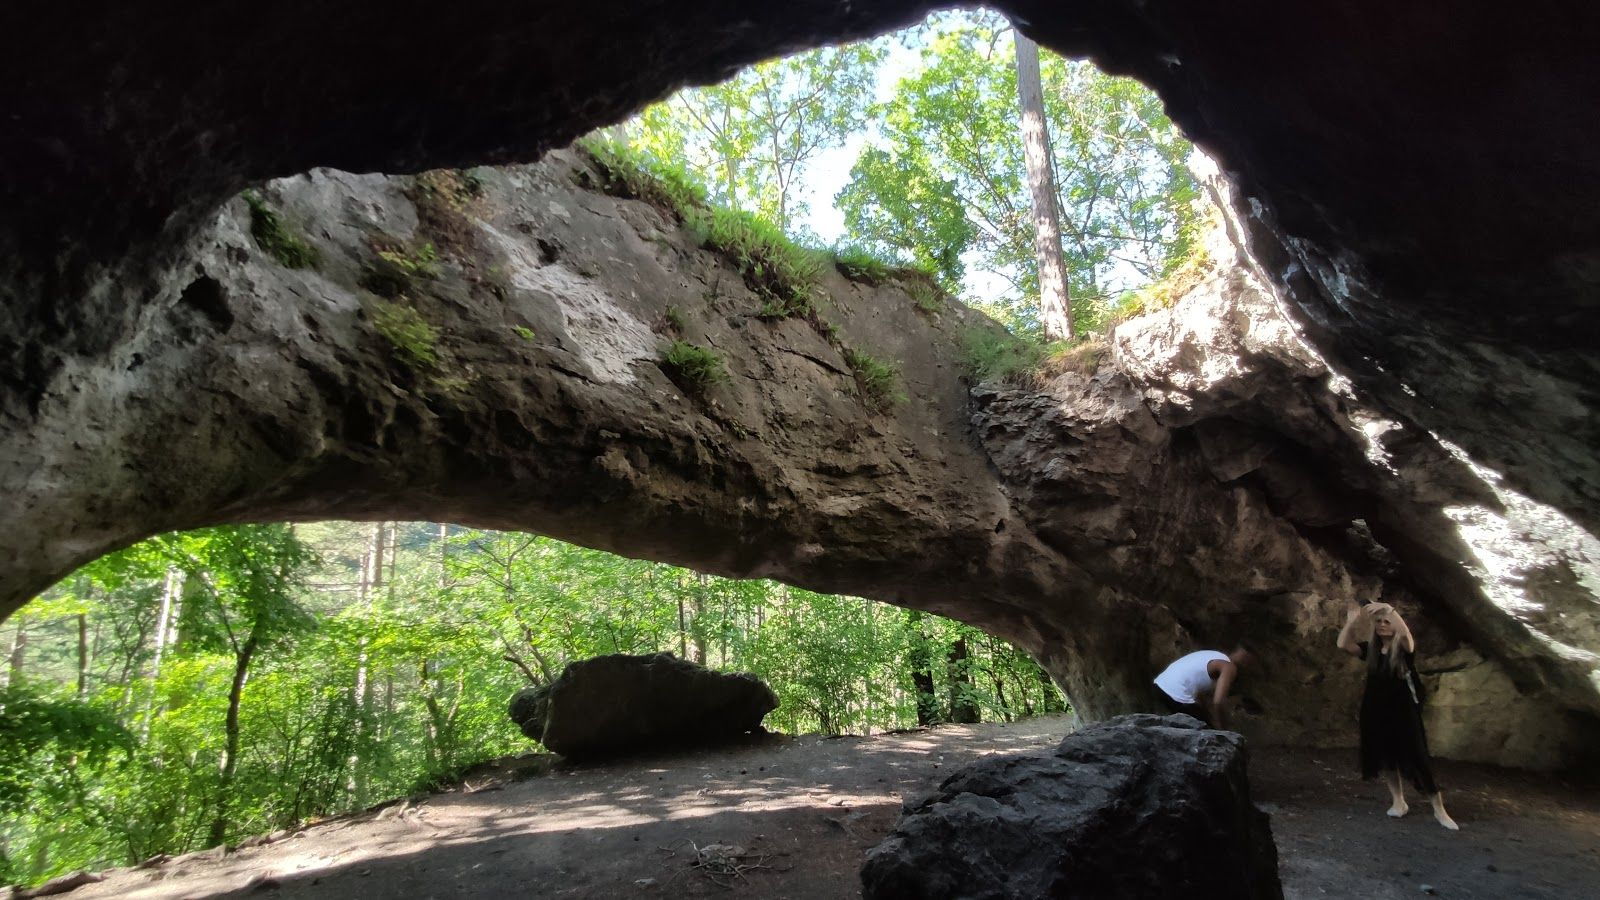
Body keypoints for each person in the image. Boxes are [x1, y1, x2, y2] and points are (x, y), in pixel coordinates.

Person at [1337, 602, 1459, 831]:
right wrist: (1352, 620)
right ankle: (1398, 801)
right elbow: (1343, 643)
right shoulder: (1371, 650)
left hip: (1403, 711)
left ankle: (1439, 810)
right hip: (1375, 709)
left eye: (1387, 622)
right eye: (1379, 622)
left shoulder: (1404, 649)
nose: (1382, 625)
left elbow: (1406, 634)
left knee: (1418, 757)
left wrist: (1388, 609)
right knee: (1386, 757)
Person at [1152, 643, 1254, 730]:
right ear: (1246, 657)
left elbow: (1198, 693)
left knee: (1204, 722)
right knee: (1210, 735)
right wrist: (1224, 730)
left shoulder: (1213, 655)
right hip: (1177, 694)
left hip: (1160, 685)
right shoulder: (1228, 667)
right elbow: (1218, 702)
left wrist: (1208, 716)